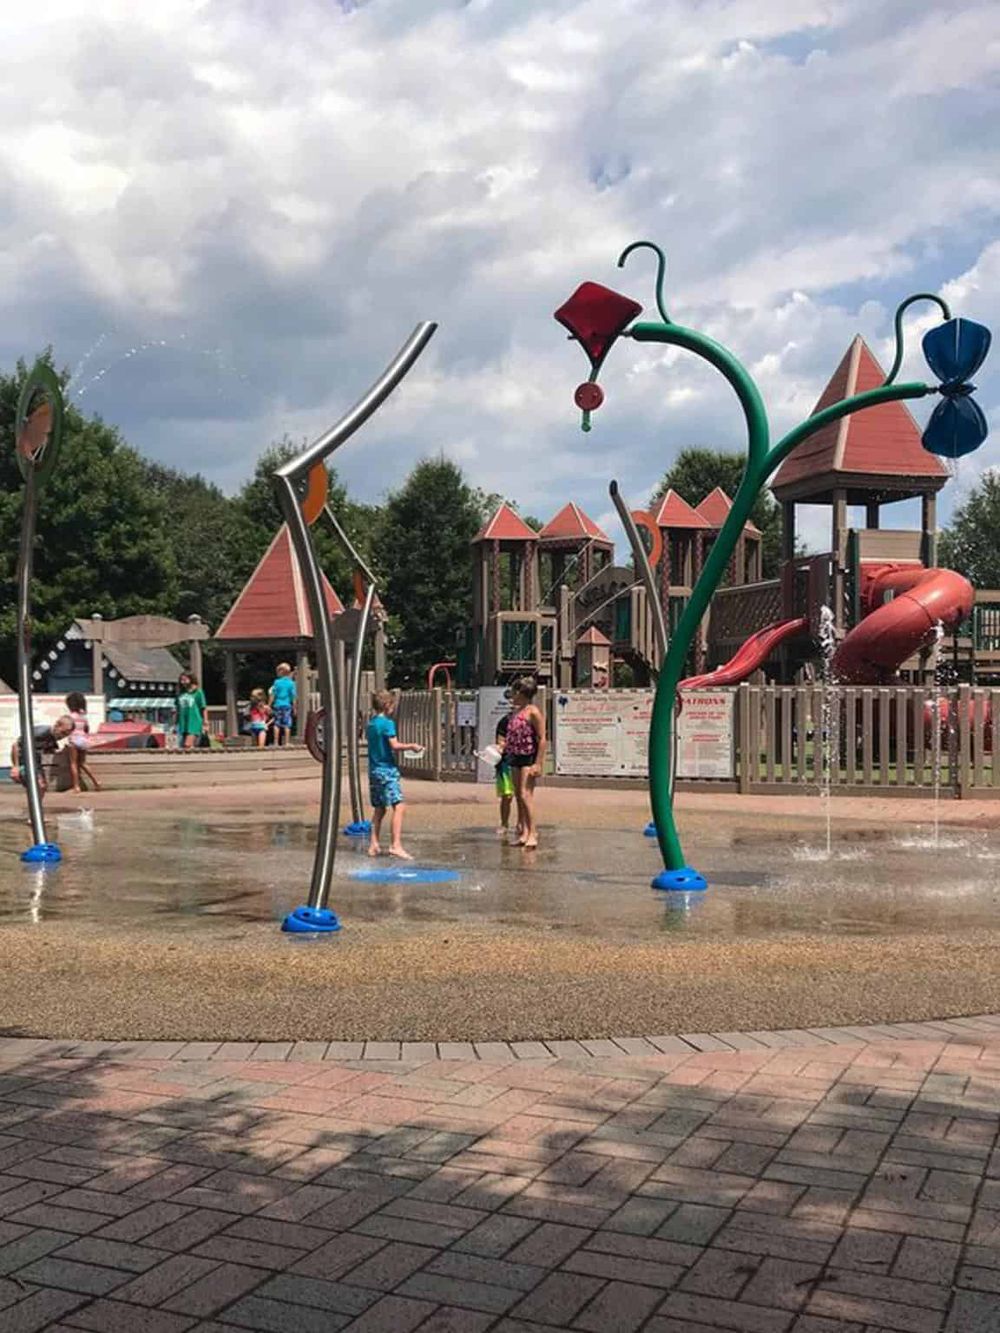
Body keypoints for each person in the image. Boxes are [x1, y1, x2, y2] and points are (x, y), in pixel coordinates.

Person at [366, 689, 423, 859]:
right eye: (392, 705)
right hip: (387, 770)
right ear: (387, 705)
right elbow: (394, 745)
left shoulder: (371, 724)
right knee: (399, 806)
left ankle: (374, 844)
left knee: (379, 808)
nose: (393, 708)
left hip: (374, 770)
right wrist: (412, 746)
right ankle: (395, 845)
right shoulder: (387, 724)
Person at [505, 676, 546, 850]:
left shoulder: (533, 712)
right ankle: (524, 831)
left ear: (522, 693)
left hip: (528, 757)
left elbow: (542, 738)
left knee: (525, 794)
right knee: (518, 795)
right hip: (515, 755)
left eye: (515, 692)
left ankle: (533, 833)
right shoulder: (516, 711)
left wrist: (538, 763)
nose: (512, 695)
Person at [10, 715, 74, 798]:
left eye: (66, 735)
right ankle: (34, 804)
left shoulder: (53, 737)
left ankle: (36, 805)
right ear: (57, 725)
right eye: (63, 733)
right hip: (24, 761)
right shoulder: (40, 732)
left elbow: (49, 750)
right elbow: (15, 745)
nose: (62, 737)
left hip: (36, 762)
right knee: (39, 785)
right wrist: (16, 766)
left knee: (42, 787)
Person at [65, 692, 101, 793]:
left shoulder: (70, 717)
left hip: (74, 740)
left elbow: (67, 729)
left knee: (73, 763)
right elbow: (86, 729)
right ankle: (96, 782)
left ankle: (76, 786)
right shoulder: (83, 717)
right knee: (83, 763)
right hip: (83, 740)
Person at [494, 694, 517, 840]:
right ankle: (504, 823)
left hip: (522, 761)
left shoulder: (529, 719)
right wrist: (503, 746)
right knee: (507, 796)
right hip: (506, 762)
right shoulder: (505, 721)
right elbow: (500, 741)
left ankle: (522, 824)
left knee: (522, 795)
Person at [176, 672, 208, 750]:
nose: (182, 682)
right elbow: (177, 708)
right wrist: (175, 721)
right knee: (183, 746)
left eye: (185, 680)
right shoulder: (180, 693)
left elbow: (203, 707)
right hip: (183, 723)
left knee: (187, 745)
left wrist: (205, 721)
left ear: (191, 679)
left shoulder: (198, 692)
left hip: (194, 722)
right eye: (181, 680)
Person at [269, 663, 297, 747]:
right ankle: (287, 742)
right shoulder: (291, 683)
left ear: (281, 672)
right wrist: (295, 708)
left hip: (277, 705)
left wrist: (269, 705)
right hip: (287, 706)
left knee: (277, 724)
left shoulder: (276, 682)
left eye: (277, 671)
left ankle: (276, 742)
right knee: (287, 724)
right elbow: (293, 697)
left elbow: (272, 695)